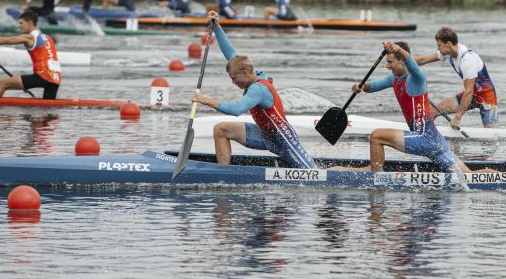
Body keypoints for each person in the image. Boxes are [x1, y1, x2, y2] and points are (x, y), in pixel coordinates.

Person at [334, 41, 489, 174]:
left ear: (402, 61)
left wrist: (400, 50)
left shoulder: (416, 79)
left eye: (390, 62)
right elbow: (372, 86)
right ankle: (502, 177)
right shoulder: (394, 78)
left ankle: (374, 172)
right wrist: (361, 86)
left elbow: (413, 66)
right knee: (469, 175)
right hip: (435, 141)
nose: (387, 66)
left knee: (376, 136)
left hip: (424, 138)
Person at [191, 10, 315, 168]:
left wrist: (205, 100)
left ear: (244, 73)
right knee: (221, 129)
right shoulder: (251, 73)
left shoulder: (258, 89)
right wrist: (218, 27)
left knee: (313, 172)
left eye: (234, 78)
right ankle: (223, 172)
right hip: (264, 134)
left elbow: (237, 109)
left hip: (283, 139)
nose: (233, 82)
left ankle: (345, 170)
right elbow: (231, 54)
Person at [414, 26, 499, 130]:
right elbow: (423, 60)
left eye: (439, 45)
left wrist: (457, 118)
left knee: (493, 134)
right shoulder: (449, 52)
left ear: (448, 44)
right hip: (472, 94)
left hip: (487, 98)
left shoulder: (467, 59)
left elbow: (469, 91)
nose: (437, 48)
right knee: (433, 111)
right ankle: (427, 133)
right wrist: (404, 61)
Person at [0, 10, 61, 99]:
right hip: (55, 80)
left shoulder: (30, 37)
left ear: (29, 23)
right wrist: (27, 83)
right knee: (47, 106)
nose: (19, 26)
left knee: (2, 83)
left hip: (43, 76)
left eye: (21, 23)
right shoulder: (48, 38)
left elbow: (6, 40)